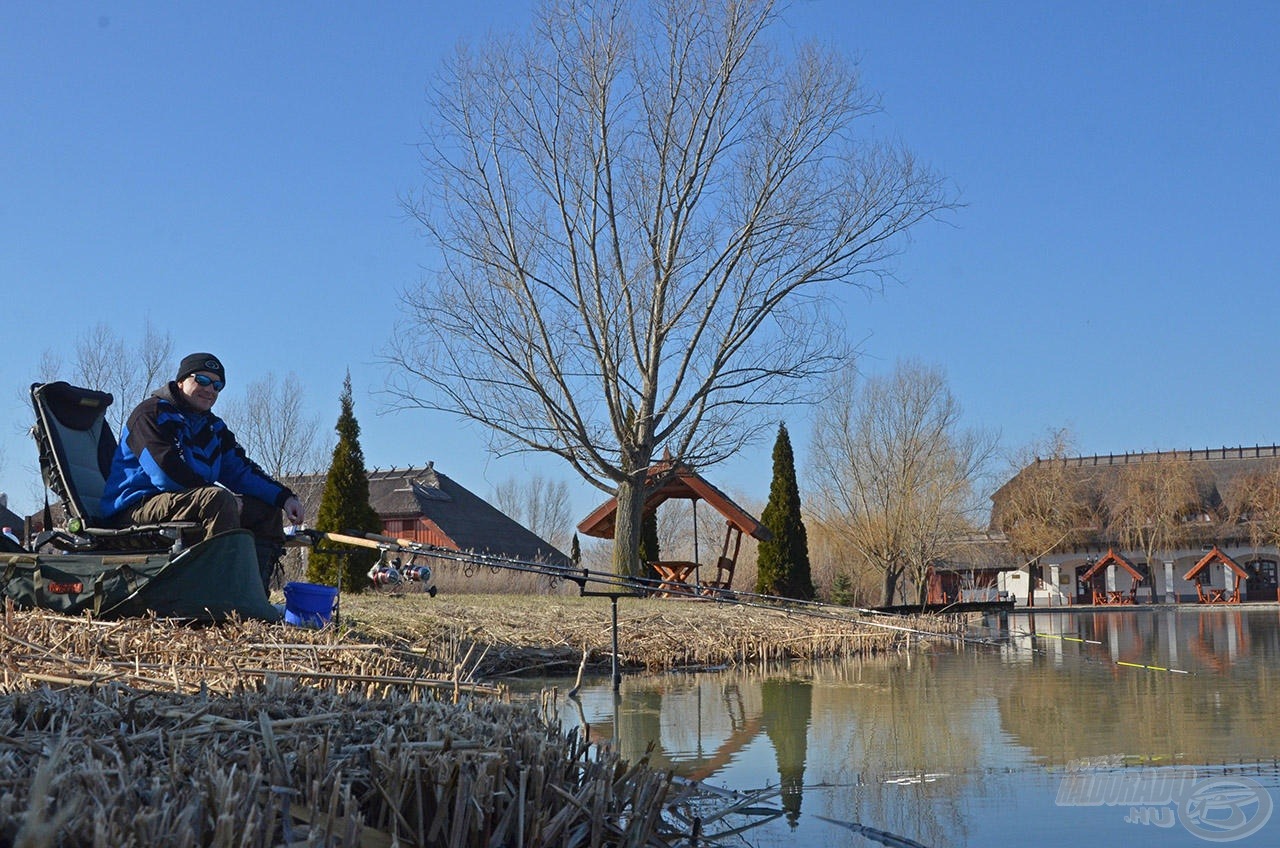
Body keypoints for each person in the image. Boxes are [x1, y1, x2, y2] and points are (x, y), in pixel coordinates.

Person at [101, 352, 305, 592]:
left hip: (186, 501)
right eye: (202, 380)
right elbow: (164, 472)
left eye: (217, 385)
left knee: (264, 510)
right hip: (136, 508)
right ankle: (215, 594)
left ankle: (253, 594)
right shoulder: (150, 414)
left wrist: (285, 497)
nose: (210, 390)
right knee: (217, 499)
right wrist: (221, 497)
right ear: (181, 382)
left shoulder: (213, 428)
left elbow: (241, 471)